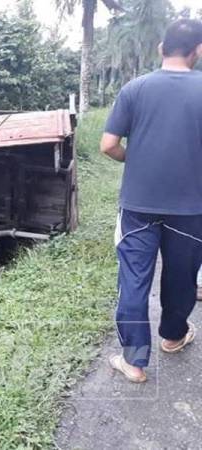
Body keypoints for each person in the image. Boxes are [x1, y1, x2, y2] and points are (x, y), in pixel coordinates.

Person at [100, 18, 202, 383]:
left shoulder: (135, 88)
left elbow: (108, 145)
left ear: (161, 48)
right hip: (192, 208)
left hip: (139, 206)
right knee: (181, 276)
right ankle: (173, 337)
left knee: (133, 279)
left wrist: (135, 157)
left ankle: (134, 362)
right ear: (198, 51)